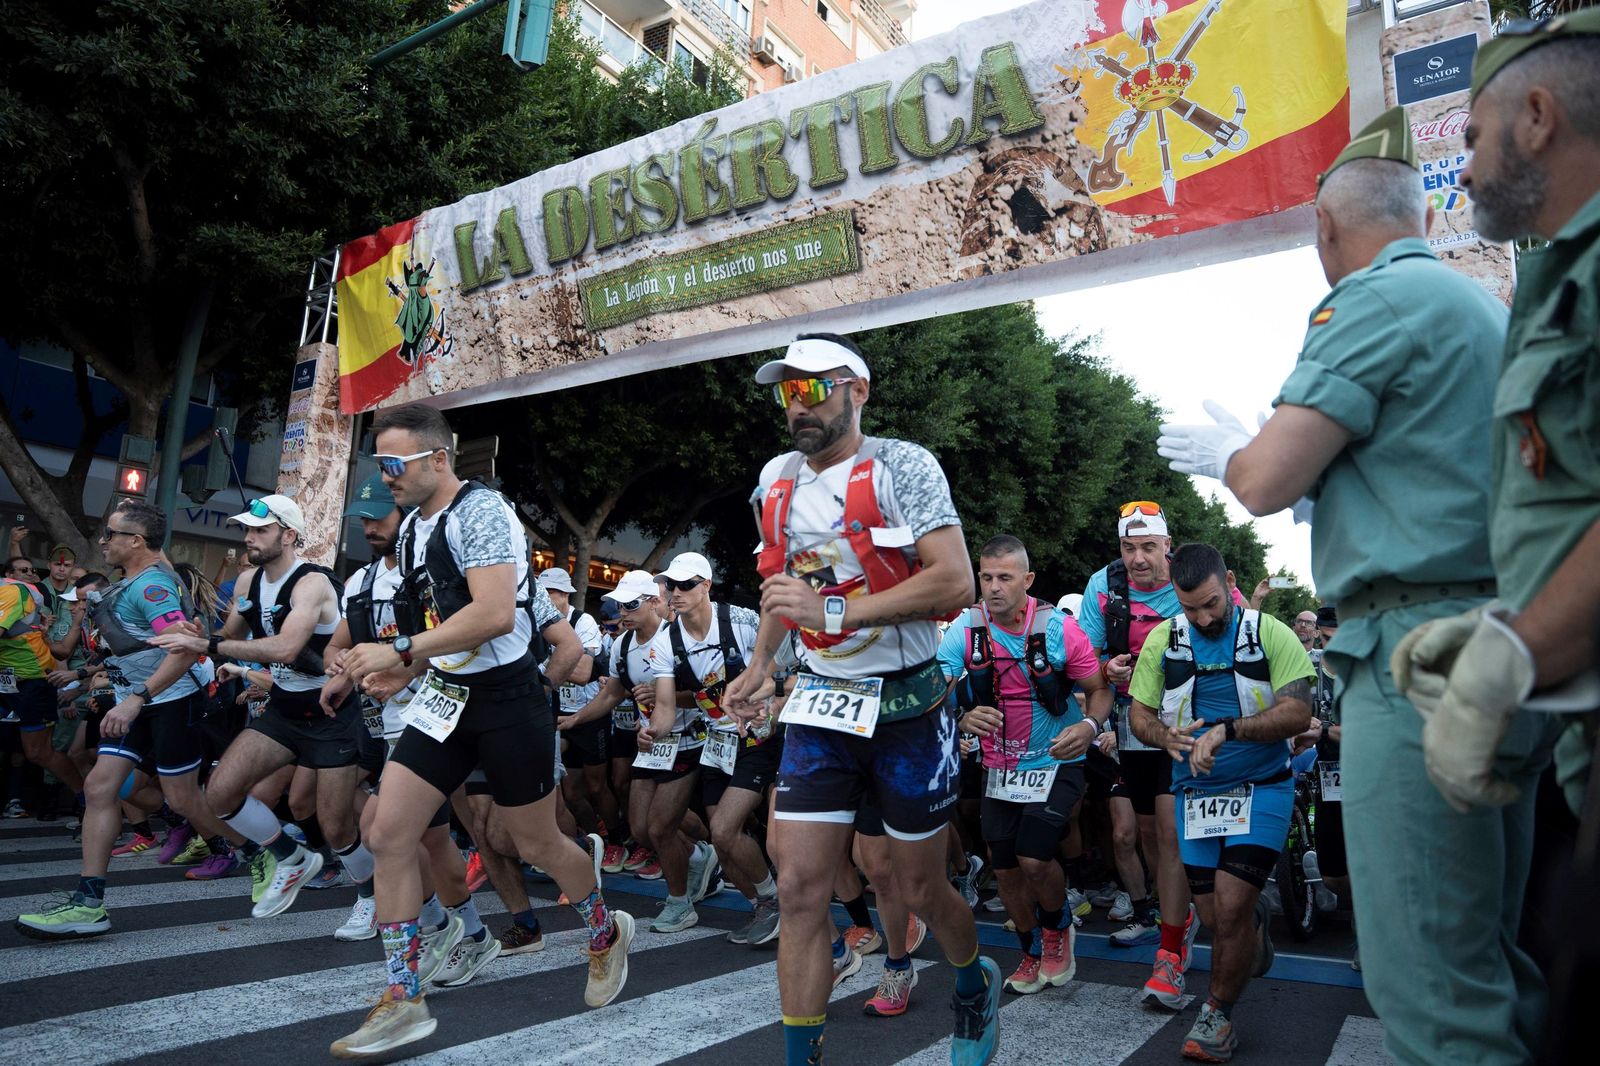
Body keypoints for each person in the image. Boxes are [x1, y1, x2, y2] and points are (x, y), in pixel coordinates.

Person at [1156, 105, 1553, 1065]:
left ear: (1327, 228)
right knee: (1491, 959)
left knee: (1427, 985)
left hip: (1415, 665)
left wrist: (1233, 456)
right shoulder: (1478, 309)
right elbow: (1432, 483)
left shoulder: (1369, 302)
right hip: (1503, 645)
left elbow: (1263, 480)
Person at [1400, 17, 1600, 1063]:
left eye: (1473, 136)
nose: (1464, 166)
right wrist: (1509, 628)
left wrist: (1515, 653)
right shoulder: (1555, 275)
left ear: (1537, 117)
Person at [723, 334, 997, 1066]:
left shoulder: (904, 466)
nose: (799, 405)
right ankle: (800, 1057)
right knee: (800, 890)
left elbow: (954, 582)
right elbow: (784, 586)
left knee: (916, 888)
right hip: (820, 705)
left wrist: (835, 615)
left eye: (815, 388)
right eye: (789, 392)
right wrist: (759, 664)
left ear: (859, 391)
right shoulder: (776, 478)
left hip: (907, 708)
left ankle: (972, 981)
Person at [332, 402, 632, 1057]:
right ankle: (403, 995)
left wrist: (401, 651)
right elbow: (435, 623)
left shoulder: (484, 512)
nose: (385, 479)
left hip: (509, 698)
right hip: (444, 697)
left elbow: (495, 614)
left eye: (394, 464)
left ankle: (605, 932)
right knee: (387, 831)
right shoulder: (413, 530)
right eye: (378, 464)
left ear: (438, 458)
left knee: (534, 842)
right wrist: (402, 675)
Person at [1126, 543, 1316, 1062]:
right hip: (1194, 796)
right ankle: (1254, 927)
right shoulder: (1164, 640)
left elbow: (1299, 711)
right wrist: (1163, 737)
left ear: (1228, 581)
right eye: (1190, 608)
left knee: (1229, 907)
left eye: (1212, 603)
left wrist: (1227, 731)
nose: (1204, 617)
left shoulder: (1268, 632)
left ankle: (1216, 1016)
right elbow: (1139, 714)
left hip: (1263, 787)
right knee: (1214, 917)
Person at [151, 494, 373, 925]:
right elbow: (227, 634)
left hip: (330, 712)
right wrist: (200, 632)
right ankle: (290, 858)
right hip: (283, 709)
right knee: (219, 792)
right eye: (248, 530)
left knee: (336, 825)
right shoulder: (249, 581)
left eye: (260, 530)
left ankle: (371, 894)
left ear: (288, 536)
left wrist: (207, 644)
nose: (249, 538)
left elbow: (287, 648)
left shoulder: (312, 583)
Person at [14, 501, 223, 939]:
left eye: (111, 533)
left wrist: (137, 698)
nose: (103, 541)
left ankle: (248, 847)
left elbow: (183, 651)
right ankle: (90, 903)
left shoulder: (152, 590)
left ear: (135, 542)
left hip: (169, 702)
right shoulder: (134, 579)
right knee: (98, 787)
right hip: (134, 702)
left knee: (182, 801)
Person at [943, 535, 1112, 995]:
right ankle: (1031, 947)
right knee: (1005, 869)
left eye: (1005, 577)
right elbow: (935, 684)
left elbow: (1100, 689)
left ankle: (1057, 928)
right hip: (1000, 767)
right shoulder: (966, 627)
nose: (993, 587)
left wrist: (1091, 726)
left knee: (1034, 857)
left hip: (1057, 759)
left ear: (1028, 580)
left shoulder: (1059, 629)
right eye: (986, 577)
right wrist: (960, 713)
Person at [1076, 501, 1205, 1007]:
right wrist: (1106, 671)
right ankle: (1179, 911)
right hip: (1132, 719)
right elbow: (1083, 657)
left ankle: (1174, 943)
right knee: (1149, 830)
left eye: (1149, 547)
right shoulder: (1102, 586)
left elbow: (1234, 624)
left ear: (1168, 547)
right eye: (1129, 548)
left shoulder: (1193, 574)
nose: (1138, 559)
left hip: (1189, 716)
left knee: (1171, 828)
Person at [648, 552, 775, 940]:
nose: (675, 592)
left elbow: (776, 674)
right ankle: (763, 906)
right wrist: (651, 730)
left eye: (686, 584)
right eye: (671, 584)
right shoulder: (665, 640)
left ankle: (777, 900)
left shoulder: (742, 621)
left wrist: (755, 700)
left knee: (724, 827)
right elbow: (667, 708)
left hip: (760, 733)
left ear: (706, 585)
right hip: (717, 743)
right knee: (721, 837)